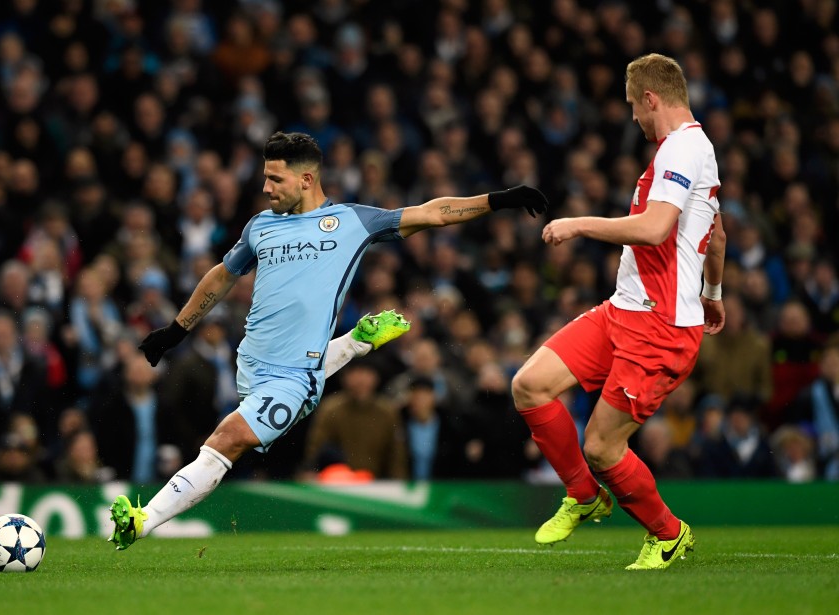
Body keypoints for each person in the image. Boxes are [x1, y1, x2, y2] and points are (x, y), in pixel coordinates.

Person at [106, 131, 546, 549]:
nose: (265, 187)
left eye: (274, 178)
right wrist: (176, 330)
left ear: (307, 178)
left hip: (294, 381)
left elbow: (433, 211)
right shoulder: (260, 226)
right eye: (264, 177)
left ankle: (144, 522)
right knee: (237, 427)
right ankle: (357, 340)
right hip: (252, 365)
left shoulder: (353, 221)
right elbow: (222, 276)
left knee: (226, 439)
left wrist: (500, 199)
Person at [511, 54, 725, 570]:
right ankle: (584, 497)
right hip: (623, 309)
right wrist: (714, 291)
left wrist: (578, 224)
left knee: (603, 447)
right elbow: (715, 232)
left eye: (634, 106)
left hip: (660, 326)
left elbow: (655, 229)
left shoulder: (683, 148)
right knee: (529, 385)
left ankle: (668, 533)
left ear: (651, 98)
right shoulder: (692, 149)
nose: (633, 117)